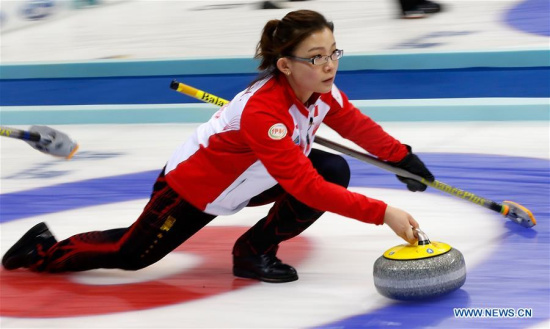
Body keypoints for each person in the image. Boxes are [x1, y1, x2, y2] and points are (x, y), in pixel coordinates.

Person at [2, 10, 434, 283]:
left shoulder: (322, 91)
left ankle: (253, 252)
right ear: (285, 65)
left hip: (252, 177)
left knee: (333, 169)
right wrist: (384, 213)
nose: (330, 65)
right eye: (316, 57)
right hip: (195, 188)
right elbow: (303, 187)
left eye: (333, 52)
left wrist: (401, 157)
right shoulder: (265, 114)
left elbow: (354, 123)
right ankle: (41, 249)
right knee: (132, 254)